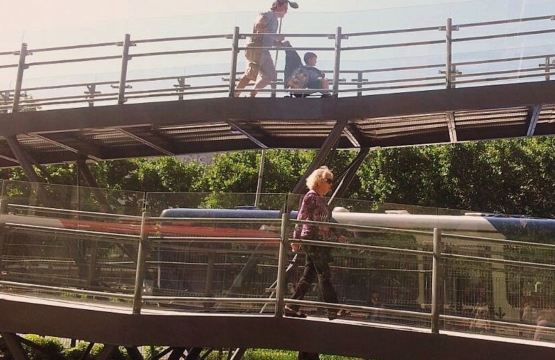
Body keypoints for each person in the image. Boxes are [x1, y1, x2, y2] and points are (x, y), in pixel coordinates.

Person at [284, 166, 350, 320]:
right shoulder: (311, 197)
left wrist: (337, 234)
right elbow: (301, 217)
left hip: (318, 240)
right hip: (312, 239)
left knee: (309, 275)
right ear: (319, 181)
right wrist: (295, 239)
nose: (331, 185)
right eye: (328, 181)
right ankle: (333, 309)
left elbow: (325, 221)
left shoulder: (319, 200)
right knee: (324, 273)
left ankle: (291, 306)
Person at [234, 0, 292, 97]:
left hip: (259, 47)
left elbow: (268, 37)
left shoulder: (273, 19)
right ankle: (245, 94)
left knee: (258, 74)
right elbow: (259, 25)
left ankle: (240, 94)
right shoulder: (268, 14)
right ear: (277, 5)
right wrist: (276, 36)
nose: (286, 11)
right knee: (263, 74)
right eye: (285, 8)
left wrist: (279, 44)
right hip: (257, 47)